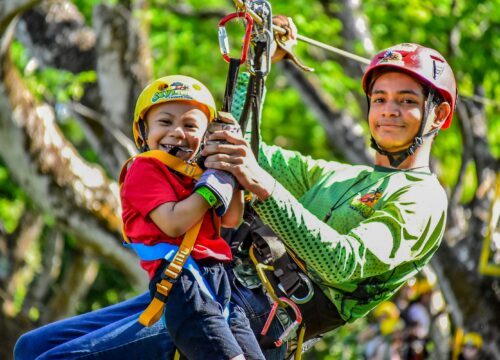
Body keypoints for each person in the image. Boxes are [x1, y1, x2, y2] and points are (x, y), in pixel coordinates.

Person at [14, 39, 457, 360]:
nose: (388, 111)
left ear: (438, 114)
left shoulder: (422, 199)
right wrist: (258, 60)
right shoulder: (340, 175)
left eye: (406, 100)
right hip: (208, 280)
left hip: (252, 314)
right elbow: (236, 141)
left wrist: (262, 186)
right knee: (30, 346)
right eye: (380, 99)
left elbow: (344, 262)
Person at [117, 74, 264, 360]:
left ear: (205, 137)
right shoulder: (144, 169)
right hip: (182, 281)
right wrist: (211, 188)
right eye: (165, 122)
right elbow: (173, 222)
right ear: (143, 132)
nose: (177, 132)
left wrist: (228, 172)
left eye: (190, 125)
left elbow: (231, 219)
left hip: (221, 281)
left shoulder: (199, 176)